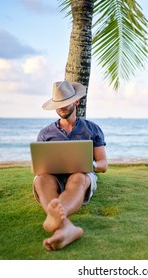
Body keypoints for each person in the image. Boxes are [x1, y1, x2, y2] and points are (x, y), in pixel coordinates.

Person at [33, 80, 108, 250]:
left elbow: (103, 164)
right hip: (53, 178)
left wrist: (90, 166)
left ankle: (58, 218)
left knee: (78, 178)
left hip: (81, 176)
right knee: (40, 180)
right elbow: (41, 165)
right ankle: (66, 227)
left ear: (76, 101)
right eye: (58, 105)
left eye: (65, 103)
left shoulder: (92, 129)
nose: (61, 108)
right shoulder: (45, 134)